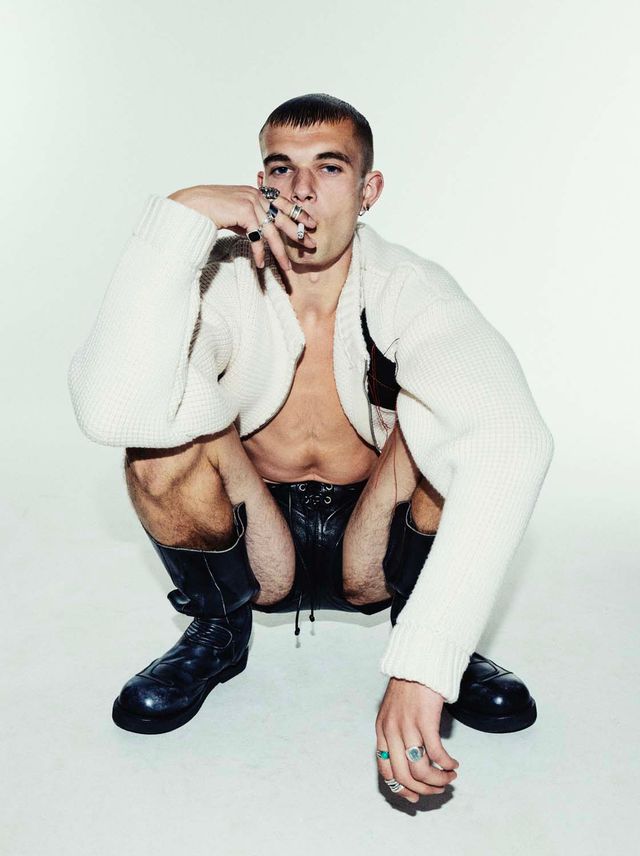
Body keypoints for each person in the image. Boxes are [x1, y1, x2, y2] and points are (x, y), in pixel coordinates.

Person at [67, 93, 554, 803]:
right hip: (254, 539)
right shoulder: (222, 280)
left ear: (368, 190)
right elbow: (113, 409)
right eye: (280, 168)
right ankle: (219, 630)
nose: (300, 191)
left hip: (375, 542)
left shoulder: (410, 287)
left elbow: (511, 441)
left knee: (450, 422)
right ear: (257, 184)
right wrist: (182, 216)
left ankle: (423, 609)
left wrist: (427, 660)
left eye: (329, 167)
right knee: (156, 446)